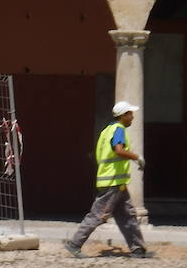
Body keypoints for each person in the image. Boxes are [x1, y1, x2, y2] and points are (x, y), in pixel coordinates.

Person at [63, 101, 154, 259]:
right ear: (123, 115)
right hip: (113, 183)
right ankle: (75, 244)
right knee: (98, 215)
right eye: (130, 114)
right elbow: (119, 150)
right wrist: (137, 158)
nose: (132, 117)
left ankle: (138, 249)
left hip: (115, 182)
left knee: (128, 215)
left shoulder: (107, 130)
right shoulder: (118, 129)